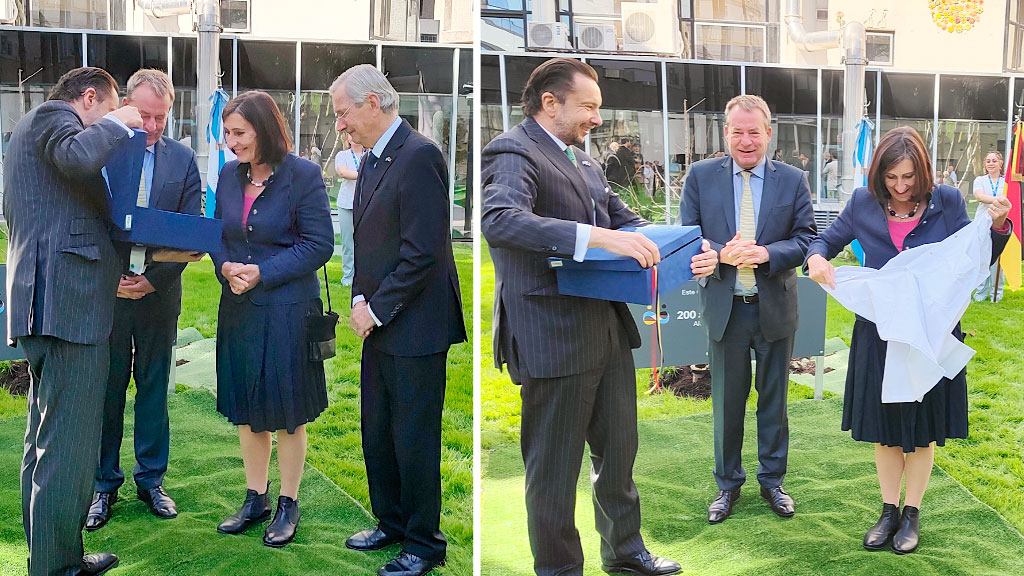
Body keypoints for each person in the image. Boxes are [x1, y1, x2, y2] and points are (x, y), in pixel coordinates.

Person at [481, 57, 717, 576]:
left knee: (618, 454)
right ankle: (560, 569)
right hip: (551, 337)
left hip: (606, 331)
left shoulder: (585, 163)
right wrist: (599, 238)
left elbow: (628, 223)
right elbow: (500, 220)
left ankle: (625, 553)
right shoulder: (512, 150)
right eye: (587, 106)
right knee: (554, 469)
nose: (596, 117)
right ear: (550, 102)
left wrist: (692, 250)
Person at [806, 127, 1011, 554]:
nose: (900, 188)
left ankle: (912, 512)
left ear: (923, 172)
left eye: (909, 178)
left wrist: (996, 226)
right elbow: (825, 240)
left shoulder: (947, 201)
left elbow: (975, 255)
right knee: (884, 429)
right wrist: (816, 256)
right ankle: (887, 510)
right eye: (891, 178)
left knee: (920, 430)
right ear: (879, 175)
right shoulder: (863, 202)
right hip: (879, 333)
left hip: (930, 333)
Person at [4, 66, 142, 576]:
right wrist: (121, 122)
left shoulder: (31, 131)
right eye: (109, 107)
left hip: (47, 306)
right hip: (69, 308)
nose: (115, 119)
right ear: (88, 98)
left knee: (45, 442)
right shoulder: (53, 118)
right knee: (68, 448)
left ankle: (50, 557)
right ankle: (57, 568)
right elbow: (80, 156)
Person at [334, 64, 466, 576]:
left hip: (416, 326)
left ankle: (424, 544)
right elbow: (369, 243)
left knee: (414, 439)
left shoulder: (419, 155)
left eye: (343, 113)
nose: (340, 124)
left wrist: (374, 309)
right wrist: (360, 299)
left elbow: (422, 252)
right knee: (378, 431)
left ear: (372, 103)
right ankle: (389, 522)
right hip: (381, 322)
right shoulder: (372, 159)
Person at [679, 94, 816, 526]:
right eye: (737, 132)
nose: (746, 141)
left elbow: (806, 238)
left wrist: (765, 253)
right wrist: (724, 253)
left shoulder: (792, 179)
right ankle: (727, 485)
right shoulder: (701, 177)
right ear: (726, 133)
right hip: (726, 310)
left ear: (768, 134)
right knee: (727, 403)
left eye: (754, 132)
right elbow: (687, 236)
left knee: (774, 402)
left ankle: (772, 481)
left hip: (774, 307)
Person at [210, 91, 334, 548]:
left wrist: (263, 272)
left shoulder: (303, 175)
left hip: (288, 312)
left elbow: (319, 244)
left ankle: (288, 502)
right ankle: (255, 498)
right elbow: (218, 235)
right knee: (247, 409)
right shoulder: (228, 174)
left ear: (264, 129)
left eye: (239, 133)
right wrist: (225, 267)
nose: (232, 142)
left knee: (288, 414)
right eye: (227, 133)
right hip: (238, 307)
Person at [86, 69, 202, 532]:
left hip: (159, 297)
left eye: (160, 118)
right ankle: (103, 485)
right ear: (125, 107)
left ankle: (151, 481)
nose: (151, 126)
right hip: (108, 294)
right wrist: (108, 278)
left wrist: (153, 281)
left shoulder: (183, 159)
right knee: (108, 389)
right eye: (144, 116)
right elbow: (85, 221)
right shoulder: (100, 150)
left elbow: (191, 231)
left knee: (153, 389)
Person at [973, 151, 1007, 302]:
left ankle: (996, 294)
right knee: (982, 257)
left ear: (1000, 163)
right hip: (982, 222)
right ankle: (980, 293)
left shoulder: (1006, 182)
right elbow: (980, 196)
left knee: (998, 258)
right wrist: (1000, 200)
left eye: (994, 161)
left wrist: (995, 200)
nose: (991, 163)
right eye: (988, 161)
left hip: (1001, 222)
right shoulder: (980, 180)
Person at [334, 132, 362, 286]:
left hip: (365, 203)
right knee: (347, 242)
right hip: (346, 203)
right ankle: (348, 277)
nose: (353, 136)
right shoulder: (342, 155)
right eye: (350, 134)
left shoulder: (370, 154)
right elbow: (342, 172)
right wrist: (364, 174)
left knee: (366, 241)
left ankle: (363, 276)